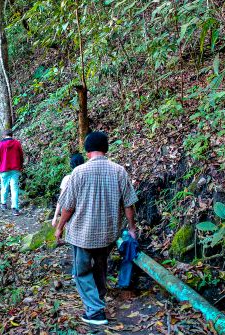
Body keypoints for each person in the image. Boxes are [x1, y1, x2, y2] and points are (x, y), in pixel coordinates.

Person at [54, 131, 138, 326]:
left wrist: (60, 227)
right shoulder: (119, 171)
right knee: (100, 269)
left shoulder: (78, 172)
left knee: (81, 272)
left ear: (87, 150)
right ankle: (97, 300)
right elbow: (128, 205)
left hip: (82, 234)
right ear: (106, 149)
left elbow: (68, 207)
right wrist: (132, 228)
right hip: (107, 233)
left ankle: (95, 311)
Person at [0, 129, 24, 216]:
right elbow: (21, 156)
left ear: (4, 135)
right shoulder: (17, 143)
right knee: (14, 189)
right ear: (12, 135)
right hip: (15, 169)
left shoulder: (1, 144)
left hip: (4, 169)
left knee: (4, 186)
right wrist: (21, 166)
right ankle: (15, 208)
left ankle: (3, 203)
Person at [52, 153, 85, 227]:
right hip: (84, 212)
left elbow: (61, 199)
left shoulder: (67, 179)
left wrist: (55, 217)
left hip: (69, 213)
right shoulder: (87, 178)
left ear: (71, 165)